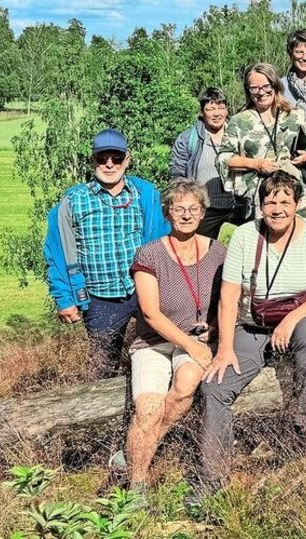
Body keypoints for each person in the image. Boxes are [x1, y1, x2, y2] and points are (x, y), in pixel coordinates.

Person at [199, 172, 306, 488]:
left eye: (284, 202)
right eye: (270, 202)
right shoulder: (245, 236)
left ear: (296, 204)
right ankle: (213, 477)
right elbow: (229, 295)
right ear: (260, 205)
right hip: (255, 324)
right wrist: (223, 350)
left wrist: (291, 319)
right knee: (214, 387)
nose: (277, 209)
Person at [125, 179, 226, 491]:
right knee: (149, 409)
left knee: (185, 386)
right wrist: (190, 346)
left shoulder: (219, 252)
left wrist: (215, 331)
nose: (186, 215)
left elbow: (230, 299)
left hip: (198, 338)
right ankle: (137, 484)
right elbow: (151, 313)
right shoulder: (150, 254)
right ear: (167, 212)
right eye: (178, 209)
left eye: (193, 209)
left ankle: (140, 448)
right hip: (154, 342)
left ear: (202, 212)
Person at [44, 129, 169, 373]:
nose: (109, 165)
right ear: (92, 161)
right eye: (102, 158)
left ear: (127, 160)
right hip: (100, 299)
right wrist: (64, 298)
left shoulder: (145, 195)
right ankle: (104, 408)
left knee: (158, 353)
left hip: (144, 291)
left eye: (117, 158)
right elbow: (56, 253)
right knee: (103, 365)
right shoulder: (73, 202)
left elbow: (163, 241)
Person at [218, 63, 306, 224]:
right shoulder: (239, 121)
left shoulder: (295, 115)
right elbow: (224, 159)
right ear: (248, 90)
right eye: (254, 88)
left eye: (265, 86)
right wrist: (256, 164)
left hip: (296, 191)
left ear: (275, 85)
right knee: (271, 243)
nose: (261, 92)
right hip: (260, 197)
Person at [169, 88, 247, 239]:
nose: (216, 113)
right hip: (205, 210)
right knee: (204, 255)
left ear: (227, 110)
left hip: (238, 208)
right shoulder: (188, 139)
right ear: (202, 112)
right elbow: (177, 175)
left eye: (221, 107)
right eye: (210, 109)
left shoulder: (240, 136)